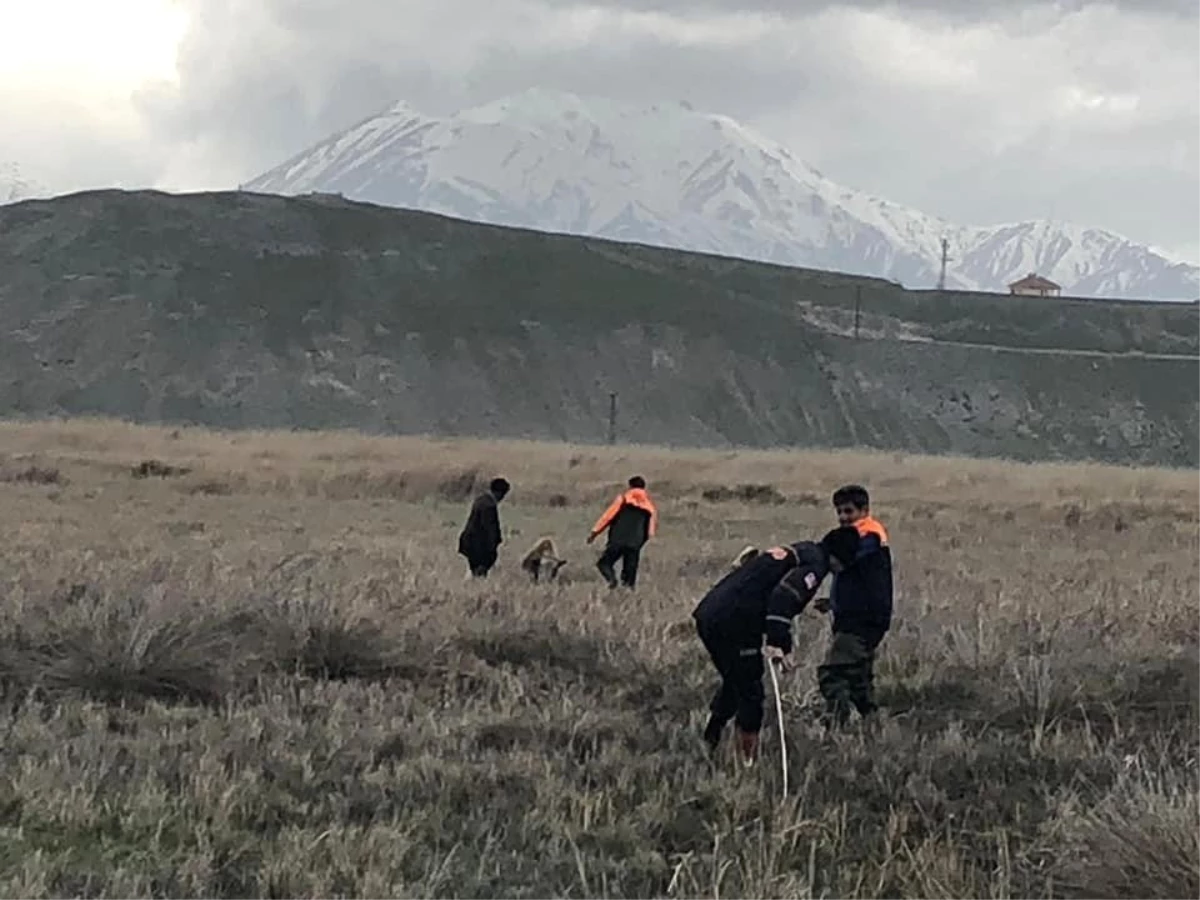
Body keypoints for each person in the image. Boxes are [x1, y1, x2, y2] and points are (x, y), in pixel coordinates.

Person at [691, 527, 862, 765]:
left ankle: (711, 737)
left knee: (737, 679)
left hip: (710, 613)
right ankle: (747, 762)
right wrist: (776, 642)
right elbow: (783, 598)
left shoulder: (803, 550)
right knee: (752, 692)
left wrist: (783, 643)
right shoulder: (816, 566)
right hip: (734, 621)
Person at [817, 484, 893, 728]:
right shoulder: (862, 535)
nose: (842, 518)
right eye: (839, 512)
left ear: (865, 510)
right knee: (858, 678)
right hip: (864, 616)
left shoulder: (869, 535)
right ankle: (872, 727)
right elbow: (860, 579)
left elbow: (846, 561)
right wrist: (833, 603)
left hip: (859, 621)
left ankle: (836, 725)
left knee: (833, 674)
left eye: (848, 511)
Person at [587, 476, 658, 589]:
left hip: (617, 541)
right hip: (634, 544)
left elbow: (607, 517)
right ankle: (627, 596)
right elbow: (650, 532)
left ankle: (612, 580)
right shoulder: (650, 508)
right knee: (629, 577)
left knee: (604, 564)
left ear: (630, 486)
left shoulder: (623, 499)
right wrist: (639, 543)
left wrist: (594, 533)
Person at [457, 477, 510, 577]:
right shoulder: (489, 506)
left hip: (469, 543)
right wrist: (492, 550)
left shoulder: (480, 500)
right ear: (499, 493)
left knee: (473, 573)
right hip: (479, 546)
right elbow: (490, 530)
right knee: (479, 574)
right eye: (503, 495)